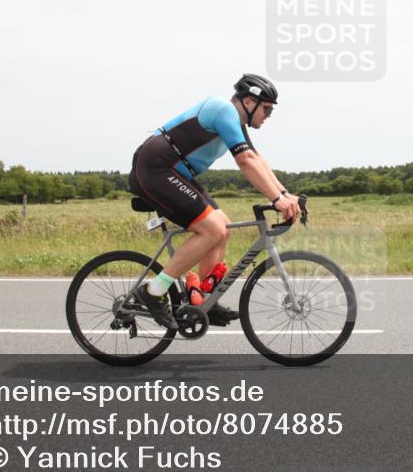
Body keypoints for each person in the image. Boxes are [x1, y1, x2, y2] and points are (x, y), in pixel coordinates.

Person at [127, 74, 300, 330]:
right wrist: (275, 199)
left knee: (223, 227)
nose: (268, 116)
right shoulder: (222, 109)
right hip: (154, 168)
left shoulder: (236, 123)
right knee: (212, 229)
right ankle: (153, 291)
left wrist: (285, 195)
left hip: (176, 172)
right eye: (267, 109)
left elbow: (257, 159)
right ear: (250, 101)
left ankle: (202, 301)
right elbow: (245, 162)